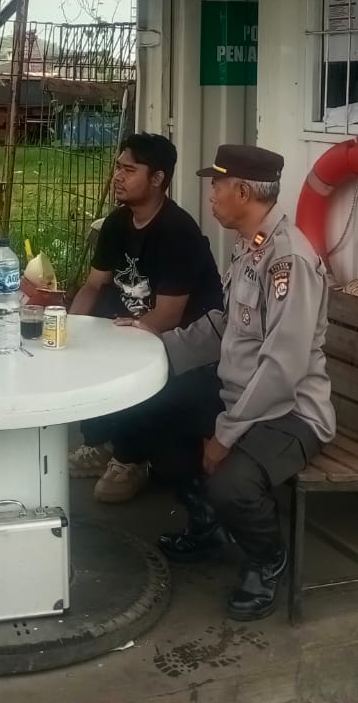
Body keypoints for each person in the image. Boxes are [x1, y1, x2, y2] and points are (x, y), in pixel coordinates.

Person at [112, 143, 334, 622]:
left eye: (217, 186)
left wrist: (226, 434)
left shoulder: (288, 261)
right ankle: (207, 524)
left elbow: (281, 367)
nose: (211, 195)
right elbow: (222, 326)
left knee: (233, 481)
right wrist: (155, 343)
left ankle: (267, 561)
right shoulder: (249, 247)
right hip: (239, 395)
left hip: (290, 412)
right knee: (148, 412)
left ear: (244, 192)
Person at [67, 133, 222, 504]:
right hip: (133, 326)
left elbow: (168, 314)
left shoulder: (177, 231)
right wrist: (68, 330)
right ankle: (99, 444)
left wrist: (122, 345)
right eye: (118, 168)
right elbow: (93, 285)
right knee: (89, 342)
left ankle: (130, 458)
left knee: (134, 367)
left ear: (157, 179)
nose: (117, 177)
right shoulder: (116, 224)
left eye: (129, 170)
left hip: (186, 344)